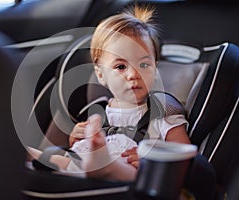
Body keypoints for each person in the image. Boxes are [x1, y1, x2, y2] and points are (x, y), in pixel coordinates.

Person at [28, 4, 191, 181]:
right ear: (100, 75)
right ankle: (24, 154)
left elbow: (184, 158)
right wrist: (77, 138)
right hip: (84, 167)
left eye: (144, 65)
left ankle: (105, 166)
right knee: (61, 159)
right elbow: (79, 149)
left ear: (155, 68)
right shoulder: (99, 110)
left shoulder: (163, 113)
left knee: (123, 169)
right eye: (120, 67)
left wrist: (149, 159)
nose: (133, 75)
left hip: (131, 176)